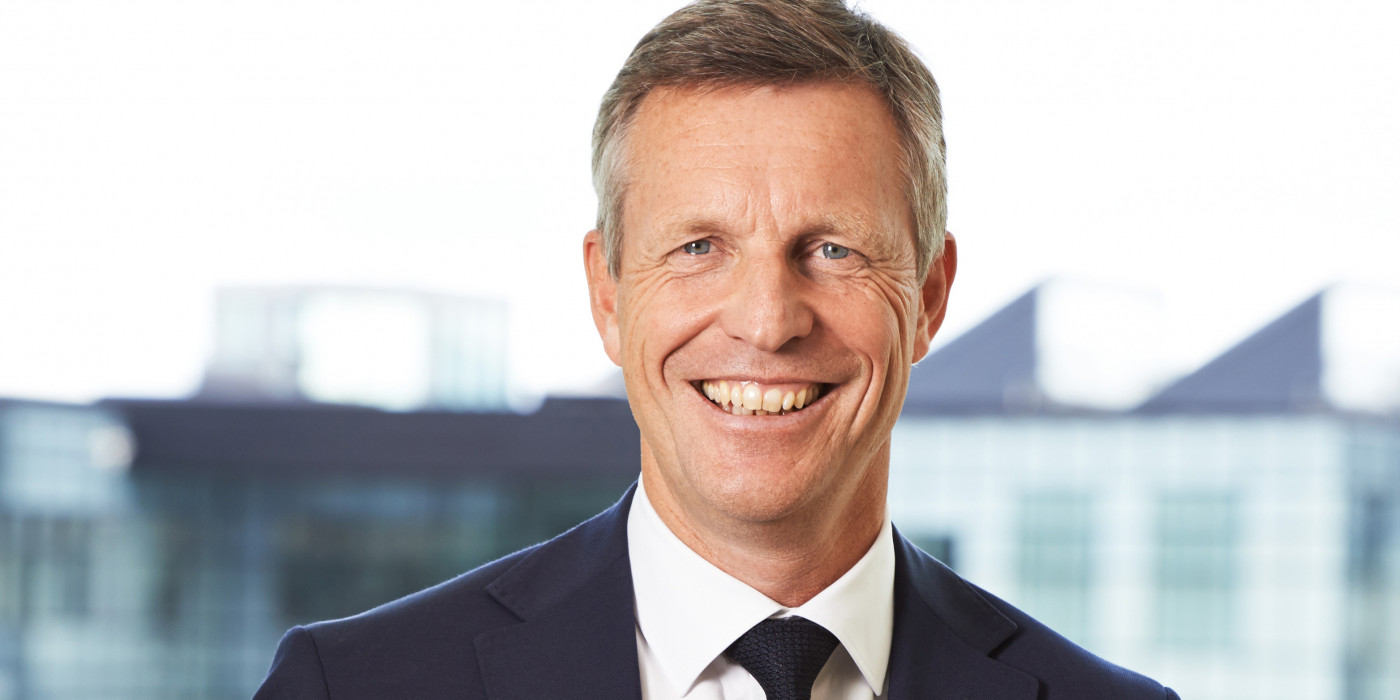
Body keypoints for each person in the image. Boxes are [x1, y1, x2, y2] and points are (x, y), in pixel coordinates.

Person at [254, 1, 1178, 698]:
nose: (768, 322)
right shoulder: (352, 687)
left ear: (929, 297)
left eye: (832, 250)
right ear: (608, 294)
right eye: (699, 247)